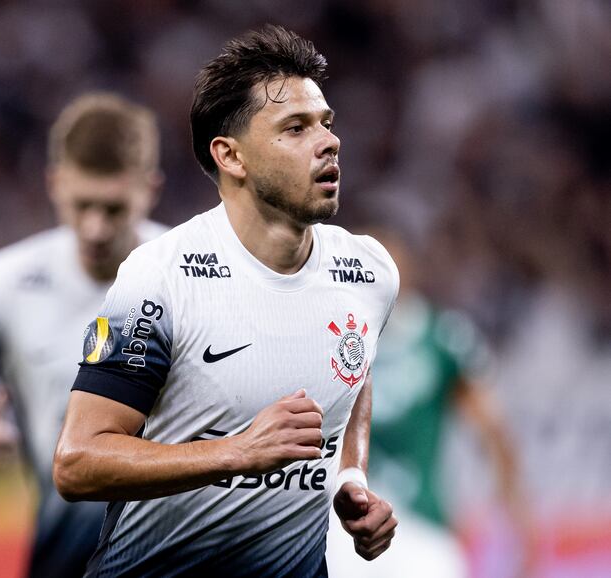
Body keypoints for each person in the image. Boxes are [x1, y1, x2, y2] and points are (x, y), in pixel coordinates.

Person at [53, 25, 400, 577]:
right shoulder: (162, 277)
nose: (329, 141)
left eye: (326, 123)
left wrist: (351, 478)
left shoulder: (369, 272)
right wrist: (238, 451)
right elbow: (78, 462)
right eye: (295, 128)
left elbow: (354, 369)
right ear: (230, 156)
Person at [0, 92, 167, 578]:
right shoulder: (4, 282)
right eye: (82, 205)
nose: (95, 227)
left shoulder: (192, 277)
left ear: (150, 188)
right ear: (54, 183)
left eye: (113, 208)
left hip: (174, 557)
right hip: (61, 556)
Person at [326, 233, 536, 578]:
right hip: (345, 532)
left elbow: (495, 435)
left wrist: (520, 525)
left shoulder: (443, 339)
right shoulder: (328, 339)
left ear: (410, 267)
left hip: (422, 527)